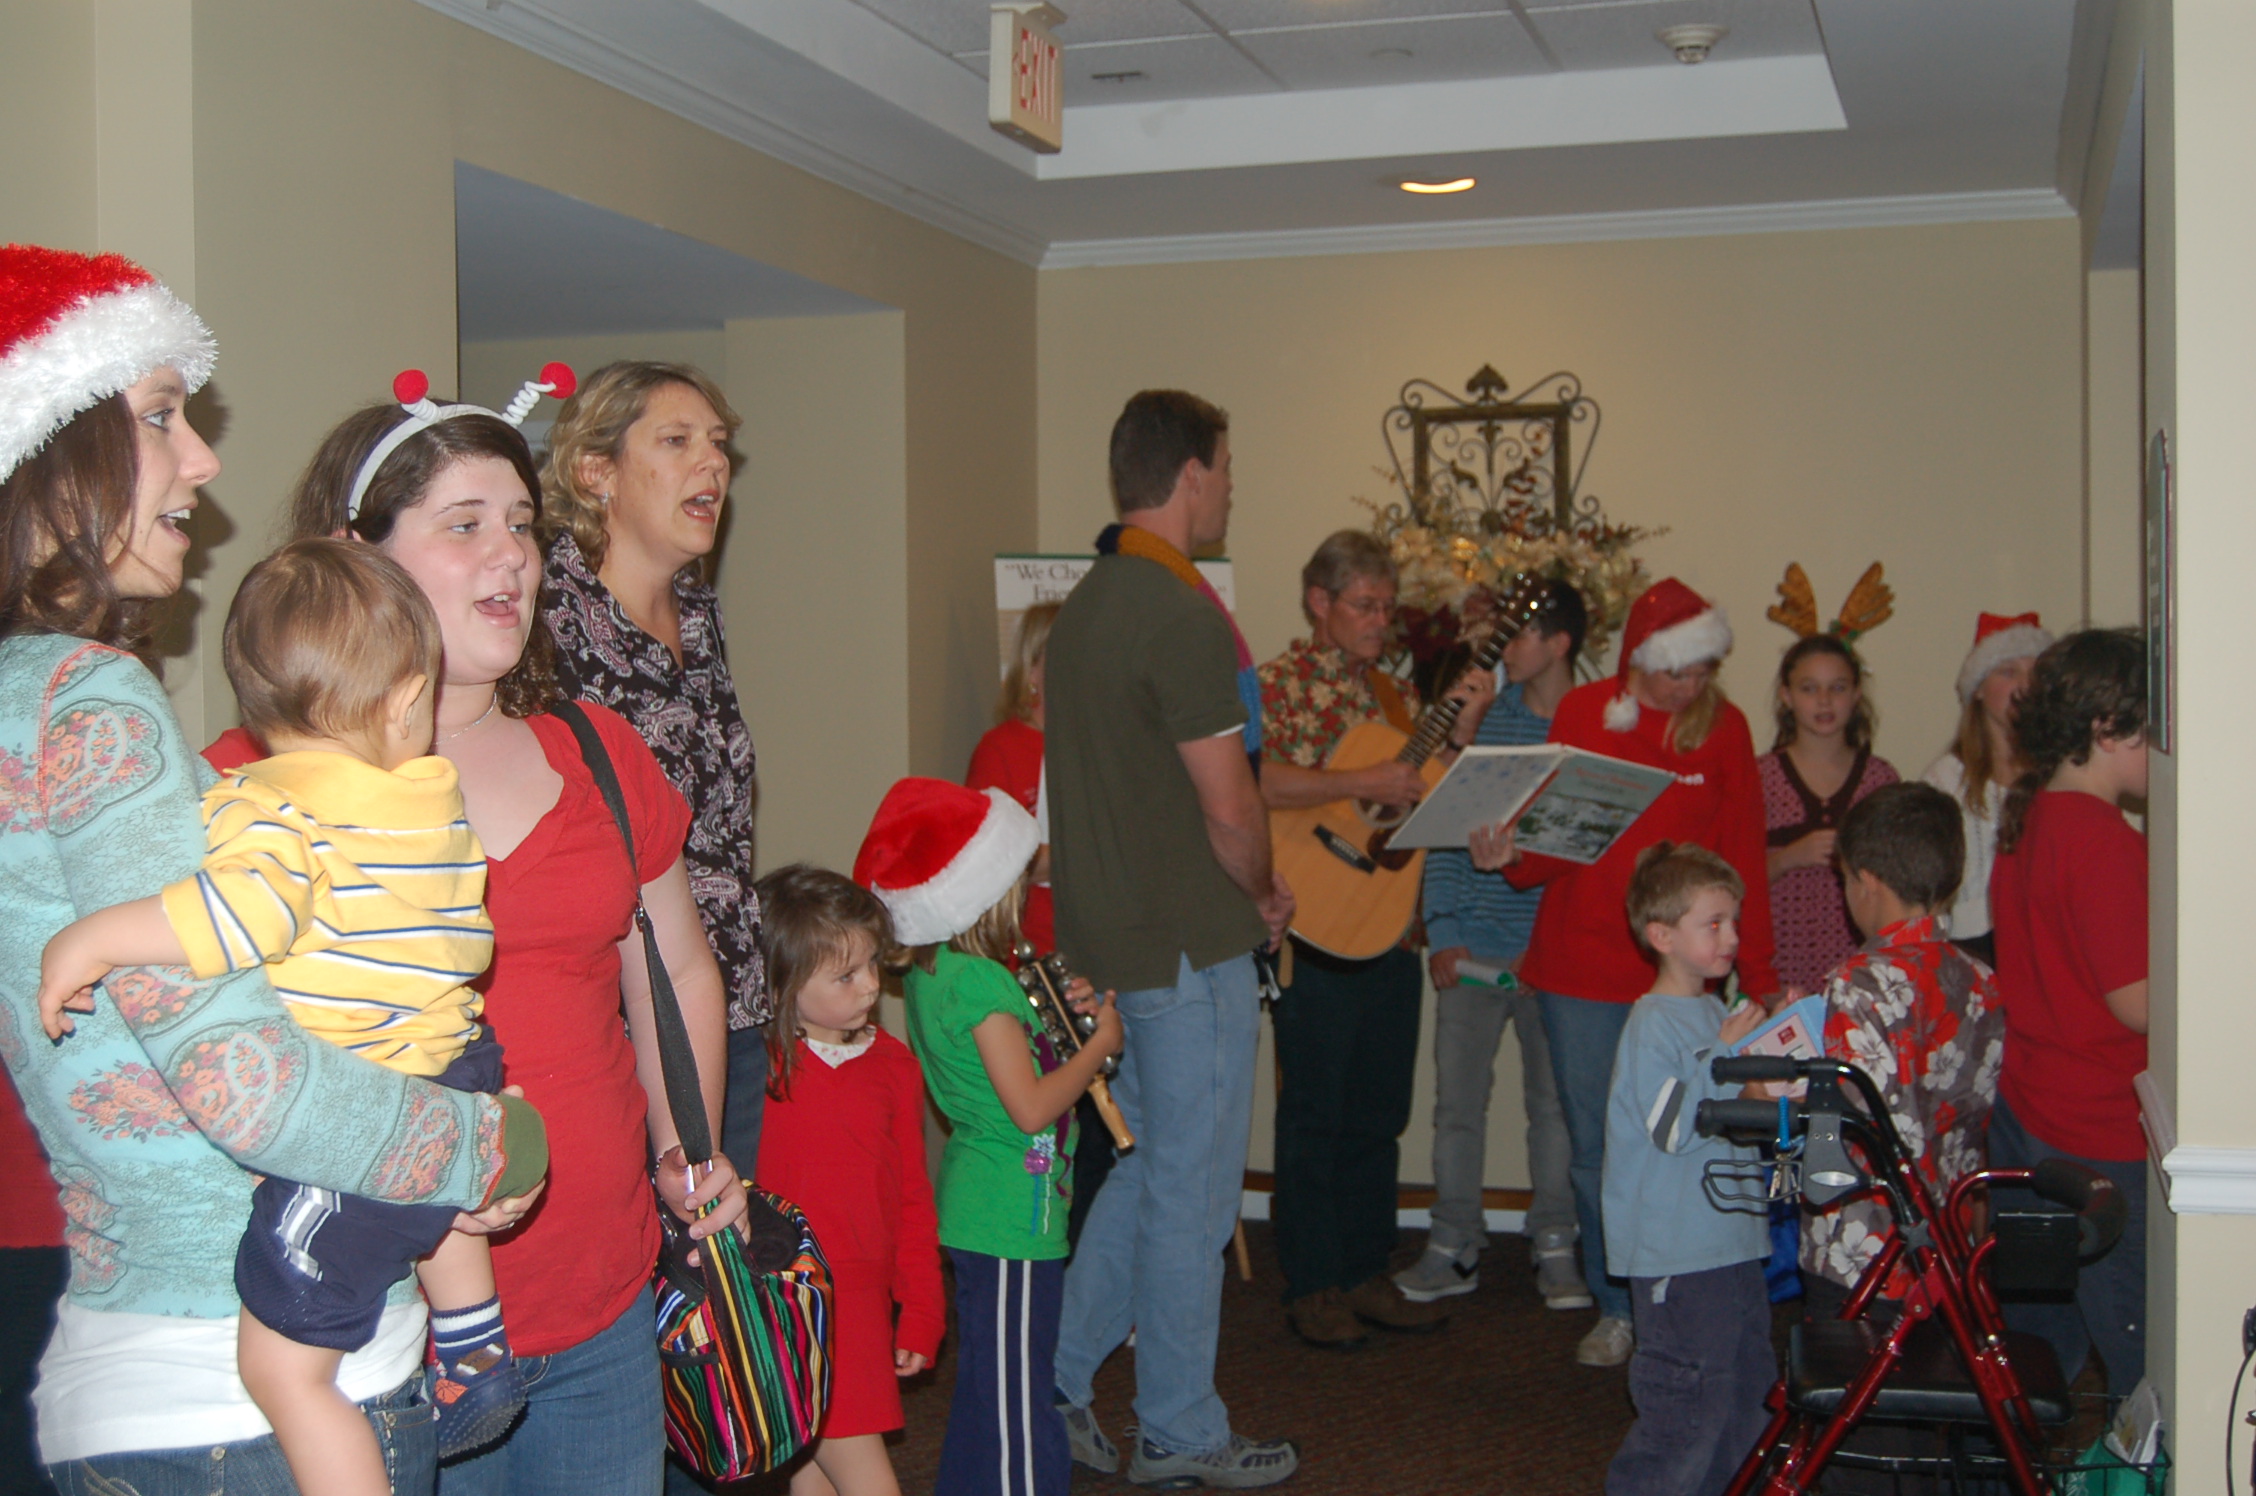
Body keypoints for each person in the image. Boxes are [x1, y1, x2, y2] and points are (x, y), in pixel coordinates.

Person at [0, 244, 526, 1492]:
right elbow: (243, 1080)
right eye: (161, 417)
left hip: (150, 1371)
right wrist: (486, 1143)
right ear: (50, 445)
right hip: (238, 1395)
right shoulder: (92, 697)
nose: (202, 458)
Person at [256, 373, 751, 1495]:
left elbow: (673, 963)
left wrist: (690, 1148)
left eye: (522, 524)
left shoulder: (601, 754)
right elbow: (243, 1044)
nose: (513, 555)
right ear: (359, 556)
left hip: (604, 1304)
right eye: (465, 525)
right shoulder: (268, 779)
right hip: (383, 1331)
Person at [35, 540, 548, 1486]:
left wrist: (98, 939)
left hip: (365, 1114)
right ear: (405, 702)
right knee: (437, 1197)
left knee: (282, 1371)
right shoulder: (430, 802)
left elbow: (237, 916)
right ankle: (475, 1345)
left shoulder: (273, 812)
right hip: (456, 1060)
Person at [1044, 390, 1299, 1488]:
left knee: (1152, 1176)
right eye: (1228, 465)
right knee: (1194, 1195)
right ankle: (1181, 1429)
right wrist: (1268, 893)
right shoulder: (1180, 614)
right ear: (1191, 474)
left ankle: (1052, 1382)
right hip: (1190, 941)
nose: (1233, 484)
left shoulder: (1088, 605)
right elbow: (1230, 806)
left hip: (1117, 935)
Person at [1496, 578, 1780, 1368]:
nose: (1687, 687)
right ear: (1636, 663)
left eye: (1699, 672)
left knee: (1702, 1137)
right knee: (1598, 1147)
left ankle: (1694, 1290)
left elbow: (1741, 855)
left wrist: (1756, 971)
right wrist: (1509, 856)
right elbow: (1554, 840)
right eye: (1671, 673)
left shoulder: (1723, 730)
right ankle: (1619, 1304)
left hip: (1685, 980)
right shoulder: (1584, 714)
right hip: (1580, 971)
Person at [1255, 529, 1494, 1347]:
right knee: (1314, 1112)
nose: (1380, 621)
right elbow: (1254, 780)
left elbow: (1426, 807)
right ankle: (1313, 1282)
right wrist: (1358, 781)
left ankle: (1364, 1269)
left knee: (1379, 1112)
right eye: (1365, 605)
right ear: (1319, 603)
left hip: (1391, 927)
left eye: (1388, 608)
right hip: (1312, 922)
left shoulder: (1398, 700)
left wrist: (1462, 739)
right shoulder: (1275, 686)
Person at [857, 777, 1123, 1496]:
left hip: (998, 1206)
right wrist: (1098, 1049)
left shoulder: (938, 971)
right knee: (1016, 1409)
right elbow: (1033, 1107)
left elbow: (1017, 1074)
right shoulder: (984, 985)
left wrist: (1065, 1026)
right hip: (1006, 1214)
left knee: (989, 1392)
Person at [537, 362, 769, 1171]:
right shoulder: (542, 621)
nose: (713, 464)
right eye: (677, 442)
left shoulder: (697, 611)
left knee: (719, 1284)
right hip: (615, 1025)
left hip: (731, 1005)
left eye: (718, 444)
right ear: (595, 471)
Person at [1398, 579, 1587, 1311]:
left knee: (1556, 1109)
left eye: (1525, 632)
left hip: (1555, 955)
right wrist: (1442, 932)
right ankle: (1454, 1241)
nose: (1508, 645)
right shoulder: (1484, 722)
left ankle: (1556, 1245)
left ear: (1560, 644)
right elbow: (1447, 827)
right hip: (1472, 946)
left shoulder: (1592, 725)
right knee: (1457, 1109)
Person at [1987, 629, 2149, 1398]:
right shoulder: (2106, 842)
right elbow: (2136, 1003)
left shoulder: (2035, 817)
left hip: (2035, 1104)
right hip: (2098, 1126)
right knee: (2137, 1356)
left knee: (2046, 1345)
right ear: (2106, 728)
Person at [749, 862, 943, 1496]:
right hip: (780, 1302)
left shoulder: (893, 1066)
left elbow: (911, 1196)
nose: (870, 988)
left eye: (872, 966)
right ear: (783, 983)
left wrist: (920, 1307)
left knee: (819, 1476)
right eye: (845, 974)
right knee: (839, 1475)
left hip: (856, 1306)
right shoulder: (757, 1067)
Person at [1600, 844, 1773, 1496]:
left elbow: (1736, 1116)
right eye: (1715, 923)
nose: (1732, 937)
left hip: (1730, 1246)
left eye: (1735, 921)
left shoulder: (1712, 1014)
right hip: (1677, 1255)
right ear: (1661, 935)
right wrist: (1723, 1053)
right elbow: (1673, 1127)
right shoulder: (1653, 1025)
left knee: (1747, 1401)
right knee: (1686, 1412)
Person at [1799, 782, 2003, 1315]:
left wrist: (1787, 1097)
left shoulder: (1860, 983)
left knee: (1850, 1383)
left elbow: (1853, 1123)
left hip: (1868, 1247)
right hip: (1947, 1235)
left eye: (1844, 879)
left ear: (1868, 882)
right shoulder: (1980, 978)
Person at [1761, 635, 1898, 992]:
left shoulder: (1880, 779)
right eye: (1809, 688)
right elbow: (1730, 879)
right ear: (1786, 696)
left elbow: (1900, 881)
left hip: (1861, 971)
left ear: (1855, 695)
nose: (1824, 701)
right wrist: (1788, 858)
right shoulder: (1759, 777)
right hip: (1780, 970)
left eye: (1837, 688)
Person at [1920, 613, 2052, 966]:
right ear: (1978, 689)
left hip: (2042, 937)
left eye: (2035, 673)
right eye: (2008, 672)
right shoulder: (1946, 780)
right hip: (1968, 947)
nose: (2025, 685)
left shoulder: (2059, 773)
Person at [968, 600, 1060, 954]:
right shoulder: (1001, 748)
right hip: (1031, 948)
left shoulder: (1102, 744)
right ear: (1032, 671)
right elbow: (992, 862)